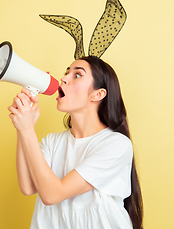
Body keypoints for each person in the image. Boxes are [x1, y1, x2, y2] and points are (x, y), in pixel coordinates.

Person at [8, 56, 143, 229]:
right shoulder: (52, 142)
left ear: (98, 94)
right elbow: (28, 187)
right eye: (66, 73)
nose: (63, 78)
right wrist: (22, 127)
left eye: (77, 75)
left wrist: (27, 130)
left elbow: (52, 195)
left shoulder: (116, 145)